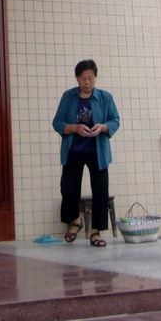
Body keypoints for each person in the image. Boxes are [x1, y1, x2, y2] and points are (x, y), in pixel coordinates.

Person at [52, 59, 120, 248]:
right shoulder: (69, 97)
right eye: (83, 78)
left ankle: (96, 232)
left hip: (97, 151)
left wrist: (104, 127)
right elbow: (57, 122)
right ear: (77, 79)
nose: (87, 82)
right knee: (68, 188)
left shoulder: (105, 97)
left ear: (95, 78)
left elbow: (115, 120)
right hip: (74, 149)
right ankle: (75, 221)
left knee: (100, 190)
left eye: (91, 78)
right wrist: (74, 128)